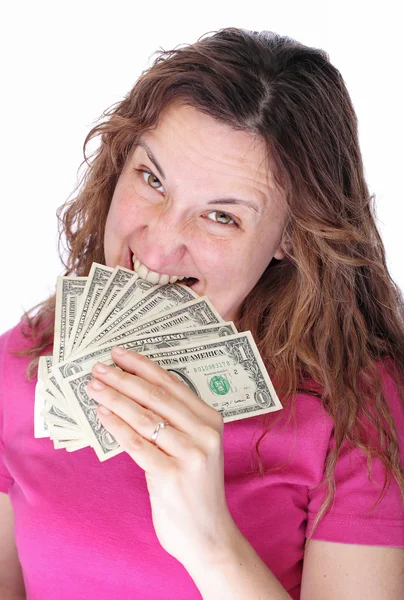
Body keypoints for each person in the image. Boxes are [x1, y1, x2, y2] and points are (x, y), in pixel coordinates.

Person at [1, 26, 403, 600]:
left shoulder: (355, 414)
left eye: (221, 216)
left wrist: (208, 540)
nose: (160, 246)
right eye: (151, 178)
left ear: (291, 235)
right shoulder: (21, 364)